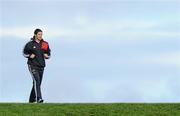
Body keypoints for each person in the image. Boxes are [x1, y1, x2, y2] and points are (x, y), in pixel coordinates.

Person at [23, 28, 51, 103]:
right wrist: (29, 55)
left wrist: (47, 56)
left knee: (37, 83)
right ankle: (39, 98)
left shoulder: (45, 43)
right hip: (32, 65)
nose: (40, 36)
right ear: (35, 35)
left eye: (41, 34)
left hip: (41, 66)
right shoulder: (30, 44)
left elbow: (49, 54)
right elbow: (24, 53)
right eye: (39, 34)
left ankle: (31, 100)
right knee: (37, 81)